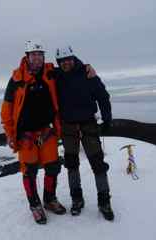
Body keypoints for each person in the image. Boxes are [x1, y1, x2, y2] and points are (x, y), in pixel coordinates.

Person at [1, 40, 66, 224]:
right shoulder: (17, 79)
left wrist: (86, 67)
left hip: (47, 132)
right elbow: (7, 109)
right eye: (34, 55)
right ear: (27, 57)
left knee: (53, 167)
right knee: (29, 172)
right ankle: (35, 205)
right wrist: (9, 132)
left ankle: (49, 199)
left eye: (40, 54)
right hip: (26, 135)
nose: (37, 58)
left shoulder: (50, 73)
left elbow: (70, 69)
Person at [53, 46, 115, 221]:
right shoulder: (56, 76)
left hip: (88, 123)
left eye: (69, 59)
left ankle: (104, 202)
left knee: (97, 163)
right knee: (72, 164)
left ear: (74, 58)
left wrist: (107, 119)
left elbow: (103, 96)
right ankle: (77, 200)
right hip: (67, 126)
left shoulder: (88, 74)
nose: (66, 63)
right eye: (62, 61)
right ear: (59, 62)